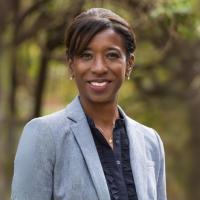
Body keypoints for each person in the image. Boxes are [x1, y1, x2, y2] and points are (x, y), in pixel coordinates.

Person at [11, 8, 167, 200]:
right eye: (86, 55)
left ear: (129, 64)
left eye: (111, 55)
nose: (99, 67)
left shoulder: (151, 142)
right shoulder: (44, 135)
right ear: (71, 65)